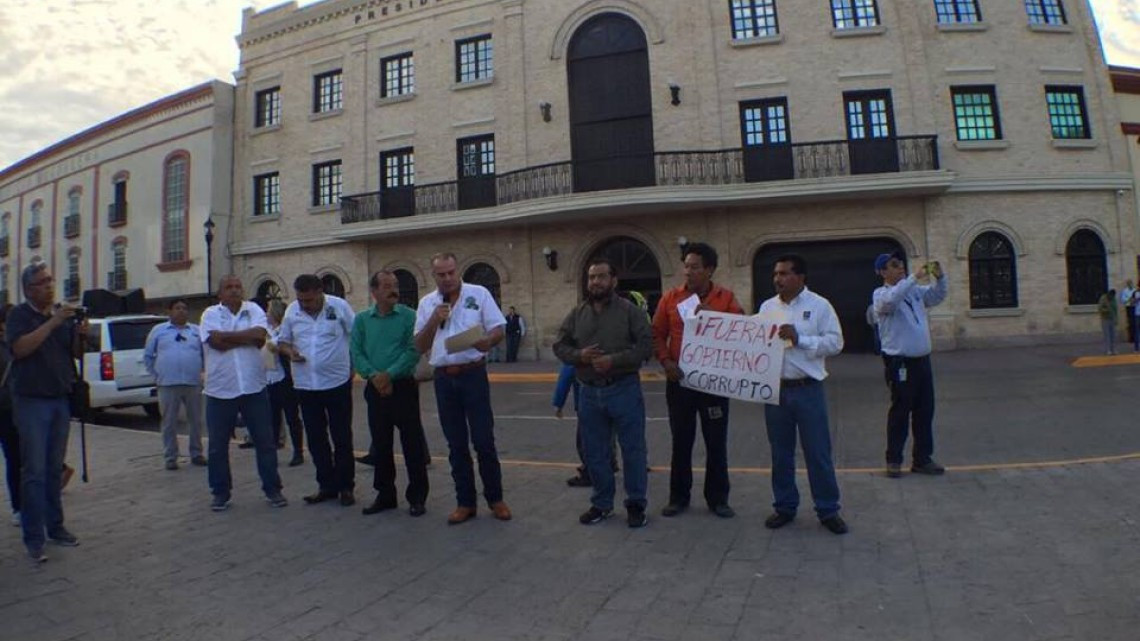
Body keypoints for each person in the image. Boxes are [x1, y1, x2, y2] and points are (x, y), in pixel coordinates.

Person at [553, 258, 653, 528]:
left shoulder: (630, 312)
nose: (595, 282)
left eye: (601, 277)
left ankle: (635, 505)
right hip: (588, 393)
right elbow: (559, 346)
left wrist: (614, 360)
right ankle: (602, 504)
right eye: (591, 277)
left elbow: (645, 347)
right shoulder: (577, 314)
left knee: (633, 450)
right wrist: (580, 356)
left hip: (623, 389)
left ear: (614, 281)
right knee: (595, 452)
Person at [414, 252, 511, 525]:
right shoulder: (427, 304)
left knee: (483, 440)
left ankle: (496, 498)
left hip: (473, 375)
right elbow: (420, 346)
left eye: (451, 273)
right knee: (456, 444)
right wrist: (434, 319)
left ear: (458, 271)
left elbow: (498, 328)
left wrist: (487, 342)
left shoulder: (478, 293)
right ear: (433, 276)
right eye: (441, 275)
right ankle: (465, 502)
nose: (447, 279)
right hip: (444, 378)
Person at [652, 242, 743, 519]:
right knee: (681, 440)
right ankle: (678, 497)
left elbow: (740, 331)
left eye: (694, 267)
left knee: (716, 441)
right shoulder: (670, 298)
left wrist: (713, 318)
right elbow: (656, 333)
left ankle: (718, 499)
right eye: (686, 266)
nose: (687, 272)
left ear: (709, 270)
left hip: (713, 383)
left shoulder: (725, 299)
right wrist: (667, 361)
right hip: (680, 382)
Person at [758, 254, 848, 535]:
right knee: (780, 453)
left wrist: (801, 339)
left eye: (784, 274)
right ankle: (784, 506)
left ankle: (828, 509)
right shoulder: (767, 306)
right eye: (776, 274)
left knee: (817, 452)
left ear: (800, 277)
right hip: (777, 391)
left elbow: (835, 343)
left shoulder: (819, 306)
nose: (778, 279)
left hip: (807, 389)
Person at [7, 263, 85, 561]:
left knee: (54, 469)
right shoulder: (19, 316)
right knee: (35, 471)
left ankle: (56, 527)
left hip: (59, 400)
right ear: (28, 289)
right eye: (42, 282)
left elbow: (74, 353)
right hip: (31, 402)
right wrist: (53, 322)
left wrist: (79, 334)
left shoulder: (60, 316)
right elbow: (20, 349)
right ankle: (34, 537)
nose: (50, 285)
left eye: (51, 279)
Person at [199, 275, 287, 511]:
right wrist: (245, 338)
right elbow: (214, 342)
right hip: (220, 390)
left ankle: (273, 489)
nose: (235, 290)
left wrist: (228, 337)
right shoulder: (210, 314)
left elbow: (260, 337)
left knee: (265, 442)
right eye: (229, 287)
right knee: (218, 446)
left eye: (238, 286)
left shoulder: (254, 309)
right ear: (220, 294)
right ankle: (220, 492)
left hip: (253, 387)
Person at [351, 270, 429, 517]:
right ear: (374, 292)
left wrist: (390, 375)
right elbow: (356, 351)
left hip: (403, 387)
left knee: (412, 445)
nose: (393, 289)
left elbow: (412, 350)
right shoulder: (362, 319)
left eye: (395, 285)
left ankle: (417, 497)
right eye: (386, 286)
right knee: (381, 445)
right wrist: (374, 376)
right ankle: (385, 495)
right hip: (375, 389)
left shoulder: (409, 316)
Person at [278, 274, 357, 507]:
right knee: (316, 438)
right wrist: (290, 352)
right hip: (306, 384)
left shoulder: (340, 306)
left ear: (320, 292)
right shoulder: (292, 311)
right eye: (302, 300)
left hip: (337, 382)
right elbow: (283, 341)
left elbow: (355, 336)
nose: (305, 305)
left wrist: (354, 365)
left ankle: (346, 486)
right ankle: (326, 485)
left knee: (341, 436)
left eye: (310, 300)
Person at [873, 252, 949, 479]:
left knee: (925, 411)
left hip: (922, 361)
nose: (900, 268)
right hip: (900, 362)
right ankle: (894, 459)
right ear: (882, 272)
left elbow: (936, 297)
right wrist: (914, 278)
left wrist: (940, 277)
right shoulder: (881, 294)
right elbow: (891, 301)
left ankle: (922, 458)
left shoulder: (914, 292)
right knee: (900, 411)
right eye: (893, 266)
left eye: (900, 264)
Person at [143, 298, 206, 471]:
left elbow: (205, 354)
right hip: (168, 383)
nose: (181, 311)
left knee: (195, 420)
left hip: (192, 382)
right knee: (169, 421)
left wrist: (203, 373)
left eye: (184, 308)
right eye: (177, 308)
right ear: (169, 312)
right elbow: (148, 356)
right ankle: (170, 456)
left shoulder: (196, 331)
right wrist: (156, 375)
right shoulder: (159, 331)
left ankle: (196, 453)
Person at [265, 300, 305, 467]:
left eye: (268, 310)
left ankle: (298, 451)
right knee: (272, 417)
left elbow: (283, 348)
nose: (266, 314)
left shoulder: (284, 331)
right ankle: (273, 449)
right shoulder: (267, 331)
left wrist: (275, 347)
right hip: (269, 378)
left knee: (291, 417)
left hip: (285, 379)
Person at [0, 305, 21, 527]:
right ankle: (18, 506)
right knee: (14, 458)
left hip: (25, 406)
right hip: (5, 409)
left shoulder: (17, 342)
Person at [1098, 289, 1118, 355]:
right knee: (1107, 335)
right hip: (1105, 319)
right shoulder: (1103, 298)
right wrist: (1106, 310)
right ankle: (1108, 350)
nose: (1112, 297)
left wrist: (1116, 319)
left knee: (1113, 335)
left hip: (1112, 318)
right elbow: (1100, 308)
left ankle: (1113, 349)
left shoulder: (1114, 299)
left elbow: (1115, 309)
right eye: (1111, 296)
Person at [1121, 280, 1136, 347]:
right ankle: (1131, 338)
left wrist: (1134, 300)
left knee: (1135, 323)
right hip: (1129, 307)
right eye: (1129, 284)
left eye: (1131, 283)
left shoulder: (1135, 290)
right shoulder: (1125, 291)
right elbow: (1123, 300)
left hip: (1135, 307)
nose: (1130, 285)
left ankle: (1136, 337)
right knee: (1130, 322)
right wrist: (1129, 300)